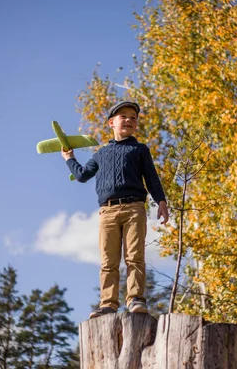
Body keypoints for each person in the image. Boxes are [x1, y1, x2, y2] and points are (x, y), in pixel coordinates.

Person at [61, 101, 169, 318]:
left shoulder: (139, 150)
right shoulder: (101, 154)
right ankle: (108, 304)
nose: (129, 120)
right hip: (107, 212)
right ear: (112, 123)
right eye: (124, 117)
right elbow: (82, 175)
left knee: (134, 257)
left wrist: (162, 202)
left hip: (134, 208)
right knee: (108, 261)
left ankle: (135, 299)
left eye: (133, 117)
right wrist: (69, 158)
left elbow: (151, 178)